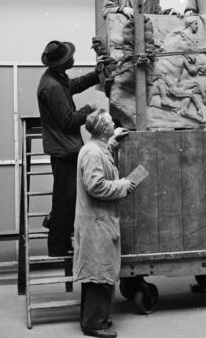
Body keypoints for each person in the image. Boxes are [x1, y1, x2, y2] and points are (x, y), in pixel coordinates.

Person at [37, 40, 104, 257]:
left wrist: (96, 74)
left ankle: (57, 230)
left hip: (65, 148)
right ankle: (57, 247)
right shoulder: (52, 86)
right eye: (69, 58)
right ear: (60, 63)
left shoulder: (57, 79)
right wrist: (89, 108)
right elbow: (68, 122)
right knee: (65, 199)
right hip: (63, 150)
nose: (73, 59)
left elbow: (72, 86)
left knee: (68, 197)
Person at [74, 109, 135, 338]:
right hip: (96, 222)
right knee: (99, 273)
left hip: (98, 220)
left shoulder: (97, 147)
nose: (113, 123)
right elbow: (95, 185)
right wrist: (122, 185)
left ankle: (92, 319)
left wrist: (112, 142)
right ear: (103, 128)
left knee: (97, 272)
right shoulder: (91, 153)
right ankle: (94, 324)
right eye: (110, 123)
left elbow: (102, 154)